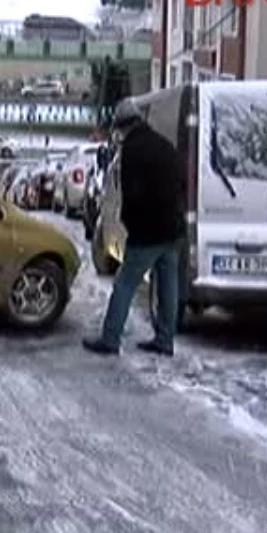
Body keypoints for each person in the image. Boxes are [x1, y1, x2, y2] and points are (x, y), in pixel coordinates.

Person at [83, 97, 185, 357]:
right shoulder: (165, 145)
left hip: (147, 232)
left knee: (125, 283)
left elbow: (132, 193)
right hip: (172, 229)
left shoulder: (132, 150)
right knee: (167, 286)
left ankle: (110, 338)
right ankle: (165, 339)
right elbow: (180, 184)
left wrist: (130, 224)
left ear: (123, 126)